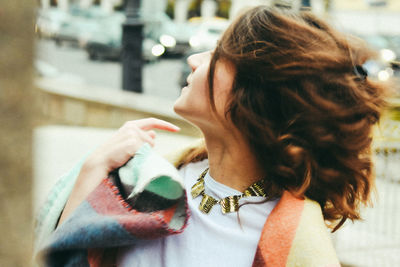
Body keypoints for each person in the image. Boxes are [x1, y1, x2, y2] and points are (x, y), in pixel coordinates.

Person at [36, 5, 389, 267]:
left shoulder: (298, 246)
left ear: (257, 94)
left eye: (219, 53)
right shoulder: (143, 180)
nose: (193, 59)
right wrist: (93, 171)